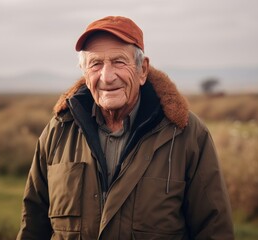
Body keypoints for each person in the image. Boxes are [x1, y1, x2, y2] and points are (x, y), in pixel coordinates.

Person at [17, 16, 234, 240]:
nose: (107, 77)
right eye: (95, 64)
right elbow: (33, 225)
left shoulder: (187, 134)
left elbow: (214, 230)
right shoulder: (59, 131)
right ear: (85, 72)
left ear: (142, 70)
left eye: (119, 62)